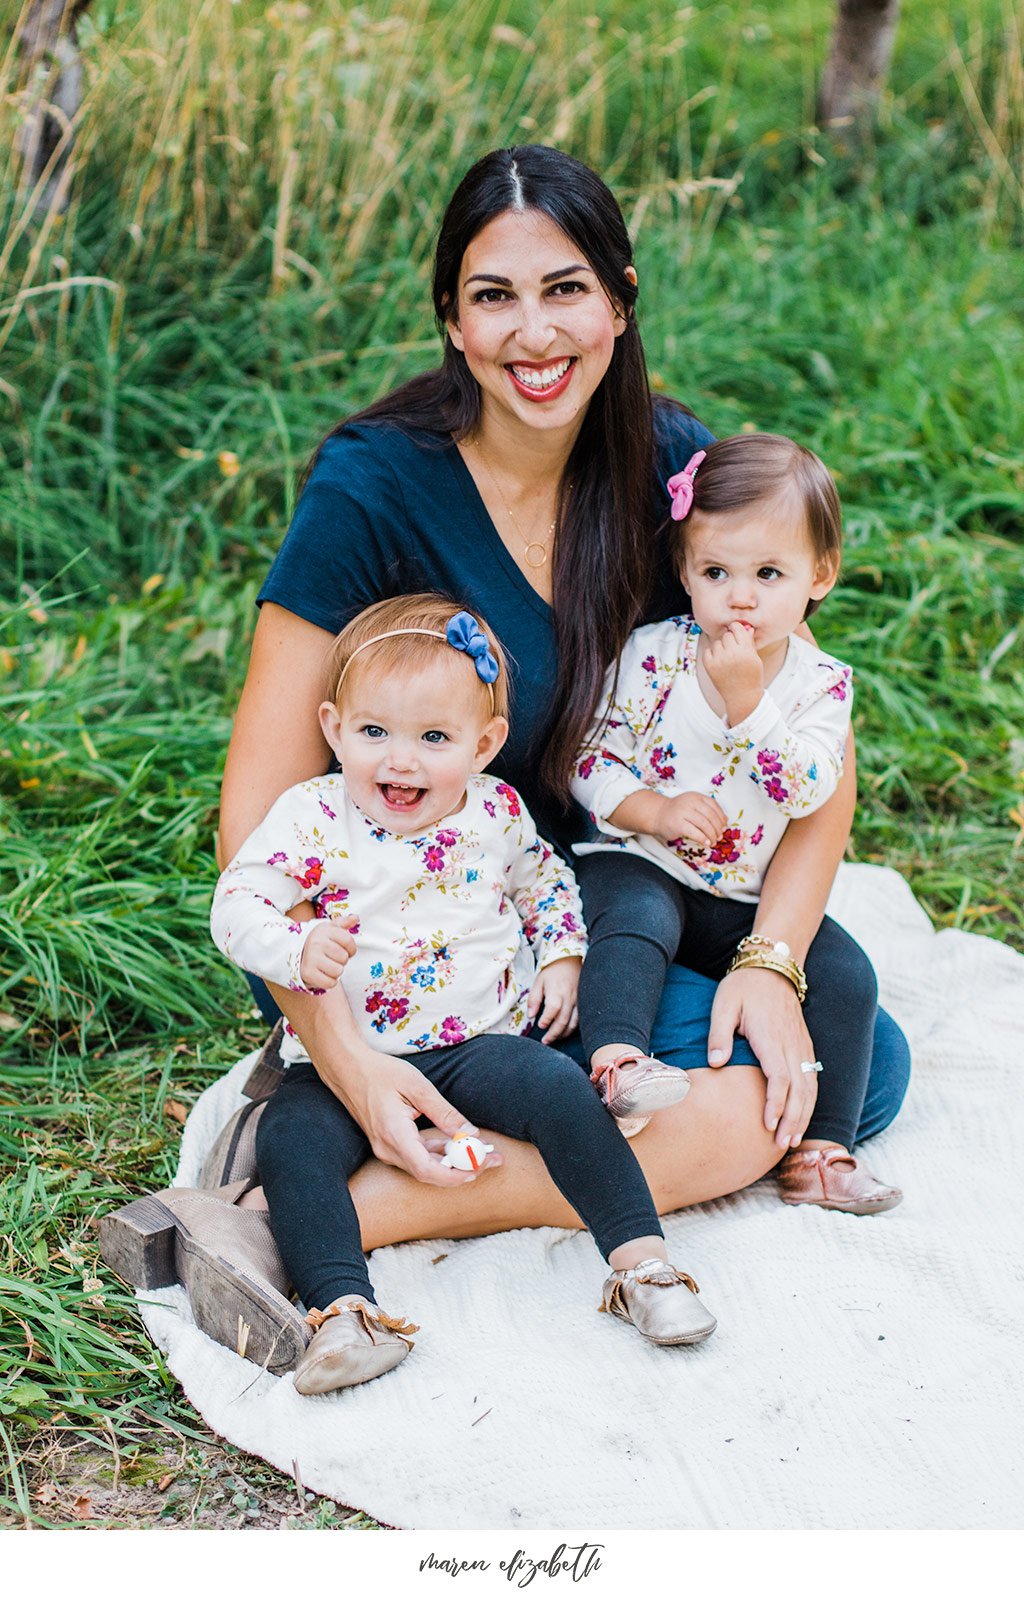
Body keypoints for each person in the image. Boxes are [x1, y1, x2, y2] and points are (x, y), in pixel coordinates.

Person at [118, 146, 909, 1368]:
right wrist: (347, 1053)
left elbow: (811, 721)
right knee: (754, 1107)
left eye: (566, 288)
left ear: (621, 300)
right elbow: (258, 811)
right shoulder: (374, 488)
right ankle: (312, 1166)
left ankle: (323, 1198)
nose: (533, 333)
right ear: (449, 315)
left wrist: (771, 954)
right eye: (493, 294)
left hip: (592, 907)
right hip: (398, 925)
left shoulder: (671, 470)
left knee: (844, 1058)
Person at [209, 594, 717, 1392]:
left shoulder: (496, 813)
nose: (400, 761)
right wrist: (296, 944)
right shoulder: (310, 818)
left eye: (434, 738)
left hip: (478, 1044)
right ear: (335, 726)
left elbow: (546, 881)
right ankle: (343, 1313)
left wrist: (563, 956)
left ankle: (642, 1267)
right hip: (348, 1065)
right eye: (374, 733)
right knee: (293, 1144)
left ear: (484, 746)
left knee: (561, 1092)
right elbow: (236, 903)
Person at [569, 433, 902, 1212]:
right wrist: (652, 809)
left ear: (819, 577)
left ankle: (821, 1149)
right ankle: (619, 1063)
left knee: (847, 973)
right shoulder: (651, 657)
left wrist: (751, 707)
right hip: (642, 858)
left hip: (744, 898)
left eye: (768, 575)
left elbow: (809, 790)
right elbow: (587, 759)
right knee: (635, 921)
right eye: (715, 573)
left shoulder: (821, 687)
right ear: (684, 570)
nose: (739, 597)